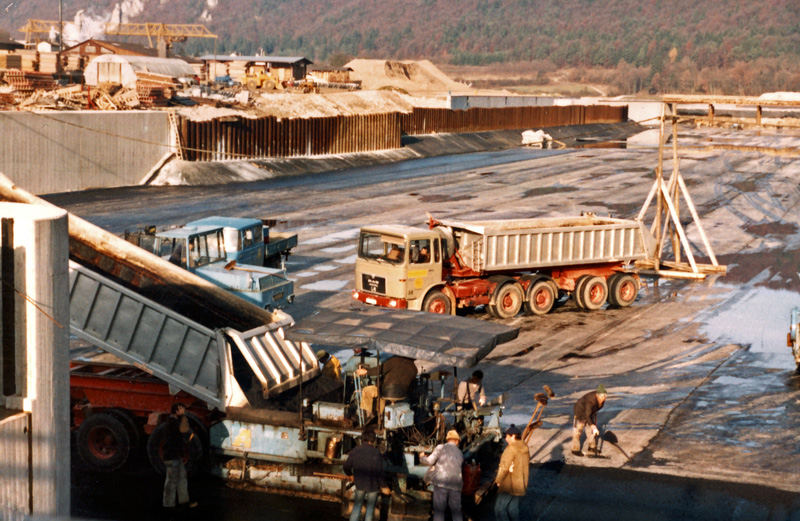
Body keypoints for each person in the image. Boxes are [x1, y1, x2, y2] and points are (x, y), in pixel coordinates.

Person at [343, 429, 390, 521]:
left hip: (359, 484)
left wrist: (351, 475)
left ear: (362, 438)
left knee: (357, 507)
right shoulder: (376, 452)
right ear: (373, 440)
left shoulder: (355, 450)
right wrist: (384, 486)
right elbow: (379, 472)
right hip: (373, 486)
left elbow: (346, 467)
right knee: (370, 510)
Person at [420, 430, 464, 521]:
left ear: (448, 439)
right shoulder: (460, 453)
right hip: (456, 485)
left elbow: (429, 461)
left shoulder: (440, 447)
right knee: (456, 512)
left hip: (441, 483)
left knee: (439, 511)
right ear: (456, 440)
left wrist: (421, 457)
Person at [162, 403, 198, 509]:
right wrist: (183, 416)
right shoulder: (172, 423)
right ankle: (168, 507)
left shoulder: (174, 422)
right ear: (177, 411)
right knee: (171, 481)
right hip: (172, 457)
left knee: (182, 479)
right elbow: (185, 429)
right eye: (182, 410)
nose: (184, 412)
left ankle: (184, 503)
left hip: (177, 456)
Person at [493, 424, 530, 521]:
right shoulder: (524, 446)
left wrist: (498, 480)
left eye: (507, 436)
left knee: (500, 509)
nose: (505, 439)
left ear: (513, 436)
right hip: (520, 483)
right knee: (512, 509)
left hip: (510, 484)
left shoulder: (511, 449)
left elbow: (504, 467)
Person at [572, 383, 607, 457]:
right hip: (580, 413)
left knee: (590, 431)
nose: (603, 399)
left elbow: (592, 412)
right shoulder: (590, 401)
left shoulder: (602, 399)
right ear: (597, 395)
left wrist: (592, 425)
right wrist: (593, 426)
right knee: (578, 431)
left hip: (590, 413)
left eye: (605, 397)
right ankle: (575, 450)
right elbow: (587, 415)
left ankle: (592, 447)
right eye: (602, 397)